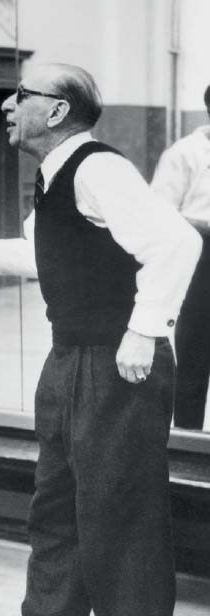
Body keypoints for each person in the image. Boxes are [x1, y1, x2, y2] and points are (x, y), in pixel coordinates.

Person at [0, 61, 201, 616]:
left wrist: (144, 330)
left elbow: (176, 242)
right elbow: (43, 252)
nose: (7, 106)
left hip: (118, 362)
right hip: (70, 356)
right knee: (58, 498)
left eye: (22, 96)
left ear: (59, 110)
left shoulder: (98, 167)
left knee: (119, 505)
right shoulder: (55, 177)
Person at [151, 86, 210, 429]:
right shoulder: (185, 154)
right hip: (201, 264)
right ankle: (188, 449)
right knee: (194, 362)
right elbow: (159, 216)